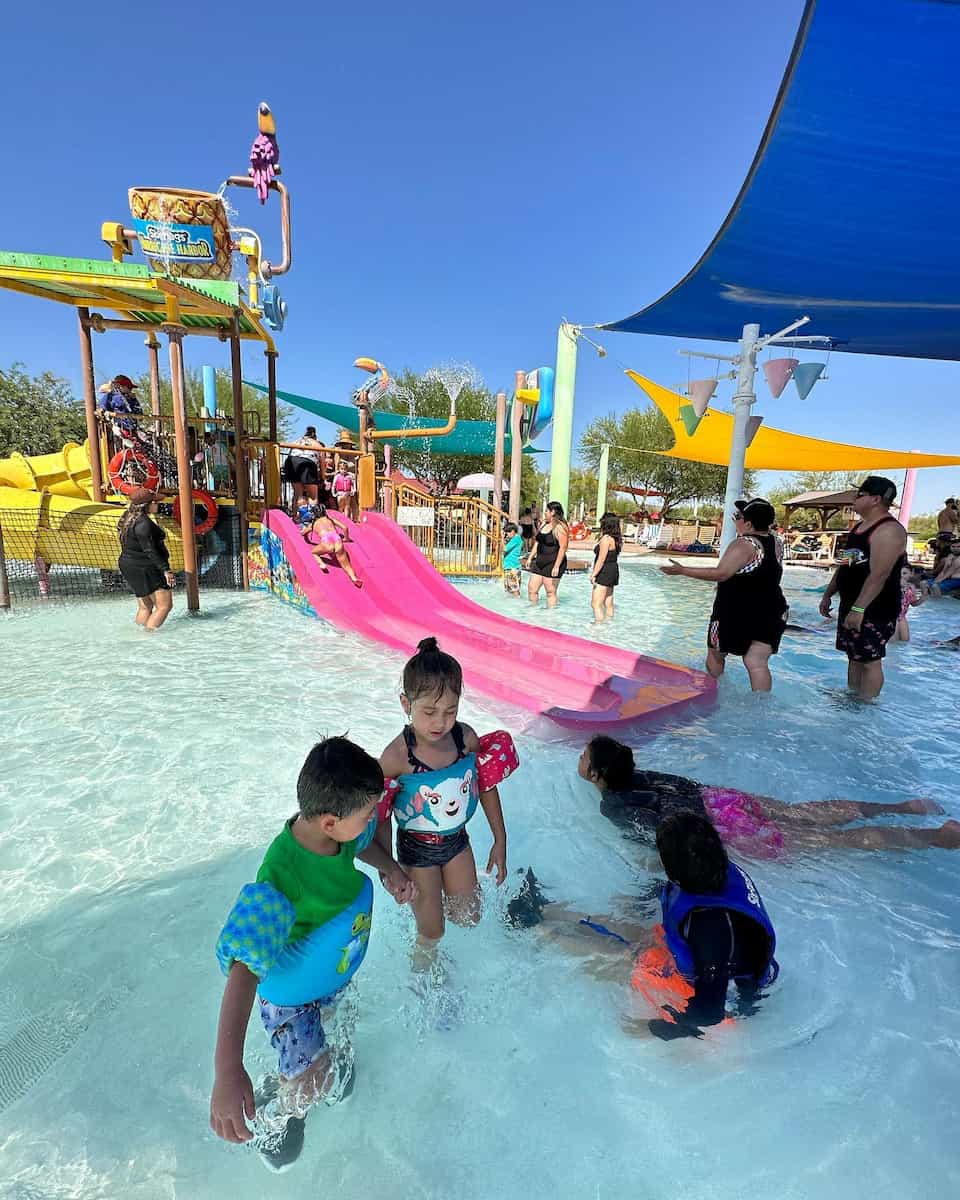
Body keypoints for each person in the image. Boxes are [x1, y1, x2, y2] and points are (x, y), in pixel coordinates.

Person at [210, 737, 416, 1168]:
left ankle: (324, 1065)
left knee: (339, 1027)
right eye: (367, 817)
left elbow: (364, 846)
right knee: (311, 1080)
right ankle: (278, 1120)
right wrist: (227, 1071)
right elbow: (243, 971)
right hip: (291, 999)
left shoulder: (339, 835)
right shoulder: (280, 879)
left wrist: (392, 870)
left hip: (325, 972)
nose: (372, 823)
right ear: (329, 821)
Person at [507, 811, 779, 1040]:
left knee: (623, 957)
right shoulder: (710, 867)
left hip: (725, 1000)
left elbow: (710, 1012)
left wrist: (654, 1029)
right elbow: (680, 892)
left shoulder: (710, 929)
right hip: (707, 958)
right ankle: (544, 908)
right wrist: (639, 901)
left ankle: (534, 928)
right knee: (630, 929)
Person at [578, 734, 960, 854]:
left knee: (830, 841)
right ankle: (904, 807)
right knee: (801, 812)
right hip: (721, 799)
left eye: (583, 757)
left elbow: (658, 836)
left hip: (717, 823)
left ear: (596, 774)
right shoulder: (640, 772)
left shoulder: (612, 805)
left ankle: (938, 838)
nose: (579, 760)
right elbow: (685, 787)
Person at [376, 637, 516, 960]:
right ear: (405, 703)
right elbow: (381, 814)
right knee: (432, 931)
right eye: (429, 712)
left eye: (450, 711)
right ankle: (424, 976)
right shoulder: (396, 757)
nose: (440, 722)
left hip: (457, 842)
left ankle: (461, 967)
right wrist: (390, 869)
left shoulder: (465, 740)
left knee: (469, 917)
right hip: (415, 850)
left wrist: (500, 838)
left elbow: (486, 786)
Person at [660, 498, 787, 692]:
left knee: (716, 654)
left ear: (748, 523)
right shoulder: (775, 543)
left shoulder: (744, 544)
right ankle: (761, 709)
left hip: (736, 611)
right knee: (756, 662)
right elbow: (761, 574)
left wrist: (683, 570)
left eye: (738, 517)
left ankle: (715, 692)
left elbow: (722, 573)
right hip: (772, 609)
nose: (735, 520)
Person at [819, 476, 907, 699]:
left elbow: (880, 574)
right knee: (854, 655)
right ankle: (853, 699)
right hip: (853, 602)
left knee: (870, 659)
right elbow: (846, 564)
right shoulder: (859, 528)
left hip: (875, 606)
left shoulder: (889, 531)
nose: (854, 499)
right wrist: (828, 594)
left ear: (875, 499)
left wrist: (859, 609)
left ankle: (867, 707)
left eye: (860, 494)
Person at [116, 486, 175, 629]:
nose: (157, 504)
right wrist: (166, 570)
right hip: (146, 567)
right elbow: (150, 550)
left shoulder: (127, 517)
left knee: (145, 606)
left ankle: (138, 635)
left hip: (128, 564)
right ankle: (148, 637)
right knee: (164, 606)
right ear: (147, 505)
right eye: (155, 502)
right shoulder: (144, 524)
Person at [301, 504, 363, 588]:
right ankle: (354, 578)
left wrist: (304, 534)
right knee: (347, 565)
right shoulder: (330, 519)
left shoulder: (313, 524)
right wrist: (346, 538)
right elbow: (345, 528)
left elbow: (303, 533)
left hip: (326, 541)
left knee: (313, 553)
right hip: (337, 540)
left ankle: (321, 564)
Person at [525, 500, 569, 607]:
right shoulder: (544, 524)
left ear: (553, 512)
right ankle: (532, 612)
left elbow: (563, 548)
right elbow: (538, 542)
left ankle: (550, 616)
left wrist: (556, 566)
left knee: (550, 591)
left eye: (546, 511)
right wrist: (530, 557)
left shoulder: (560, 528)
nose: (545, 513)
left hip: (553, 563)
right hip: (540, 561)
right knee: (532, 589)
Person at [590, 512, 622, 623]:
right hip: (613, 570)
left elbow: (601, 559)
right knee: (608, 602)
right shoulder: (616, 539)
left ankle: (598, 626)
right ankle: (609, 624)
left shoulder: (606, 539)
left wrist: (593, 574)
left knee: (595, 604)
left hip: (605, 571)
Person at [283, 427, 322, 512]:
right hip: (306, 462)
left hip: (291, 461)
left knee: (298, 493)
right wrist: (323, 476)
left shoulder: (297, 441)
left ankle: (295, 515)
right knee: (313, 496)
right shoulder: (316, 443)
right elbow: (323, 460)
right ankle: (312, 518)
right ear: (315, 436)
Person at [98, 374, 143, 440]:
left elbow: (140, 416)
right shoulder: (111, 396)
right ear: (121, 386)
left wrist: (134, 399)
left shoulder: (131, 399)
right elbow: (101, 411)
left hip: (133, 431)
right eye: (129, 387)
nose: (131, 390)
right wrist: (112, 426)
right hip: (119, 430)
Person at [895, 565, 925, 640]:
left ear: (911, 573)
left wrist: (924, 596)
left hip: (902, 617)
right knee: (893, 643)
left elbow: (913, 604)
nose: (901, 576)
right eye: (899, 573)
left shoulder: (911, 587)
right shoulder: (891, 584)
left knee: (904, 642)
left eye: (904, 573)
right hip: (891, 616)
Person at [502, 521, 523, 596]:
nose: (506, 535)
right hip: (511, 567)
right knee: (510, 590)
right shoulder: (515, 539)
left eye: (507, 532)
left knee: (514, 591)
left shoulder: (516, 539)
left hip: (512, 568)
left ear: (513, 531)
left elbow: (504, 549)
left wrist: (501, 538)